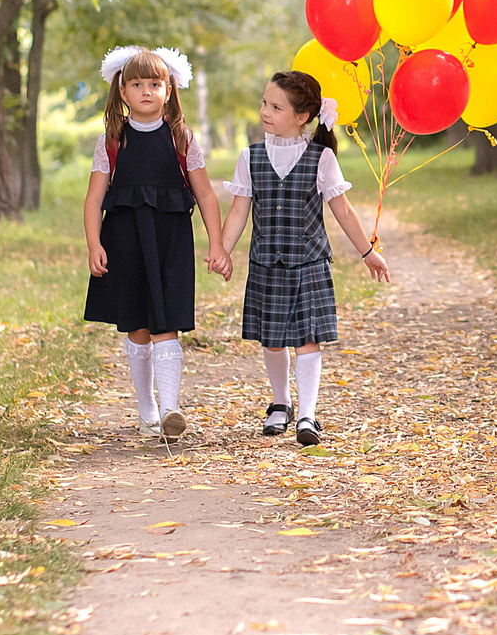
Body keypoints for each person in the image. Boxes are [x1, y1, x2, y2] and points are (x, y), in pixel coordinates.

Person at [216, 70, 390, 446]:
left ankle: (308, 415)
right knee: (272, 341)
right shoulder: (250, 158)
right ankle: (281, 404)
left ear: (302, 117)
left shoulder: (321, 158)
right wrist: (222, 250)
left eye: (275, 106)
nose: (265, 111)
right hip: (266, 266)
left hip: (308, 265)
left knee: (307, 341)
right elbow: (238, 212)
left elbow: (343, 211)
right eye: (264, 102)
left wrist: (368, 252)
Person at [83, 46, 230, 439]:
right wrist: (94, 244)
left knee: (167, 323)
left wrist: (217, 245)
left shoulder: (182, 139)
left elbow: (206, 195)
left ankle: (170, 410)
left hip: (171, 243)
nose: (146, 90)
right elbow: (95, 198)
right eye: (137, 84)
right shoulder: (112, 142)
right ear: (122, 91)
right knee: (137, 326)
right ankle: (147, 409)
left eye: (155, 83)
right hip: (125, 242)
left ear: (169, 89)